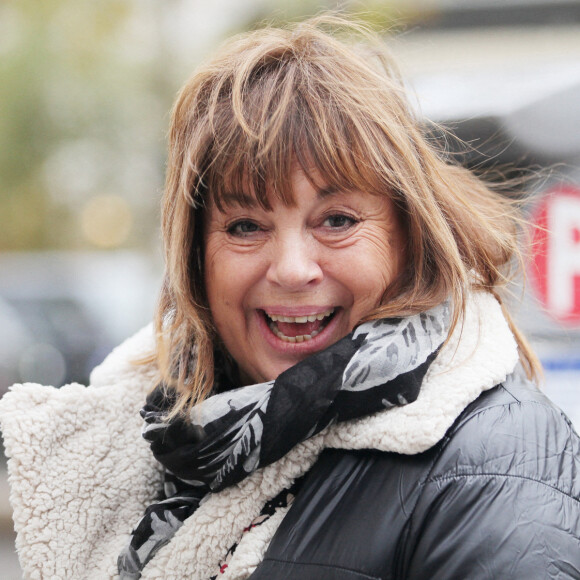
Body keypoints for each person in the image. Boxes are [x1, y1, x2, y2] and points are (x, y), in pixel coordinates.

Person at [1, 15, 579, 580]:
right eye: (246, 226)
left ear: (408, 238)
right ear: (195, 259)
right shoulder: (144, 434)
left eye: (336, 220)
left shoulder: (494, 465)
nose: (293, 269)